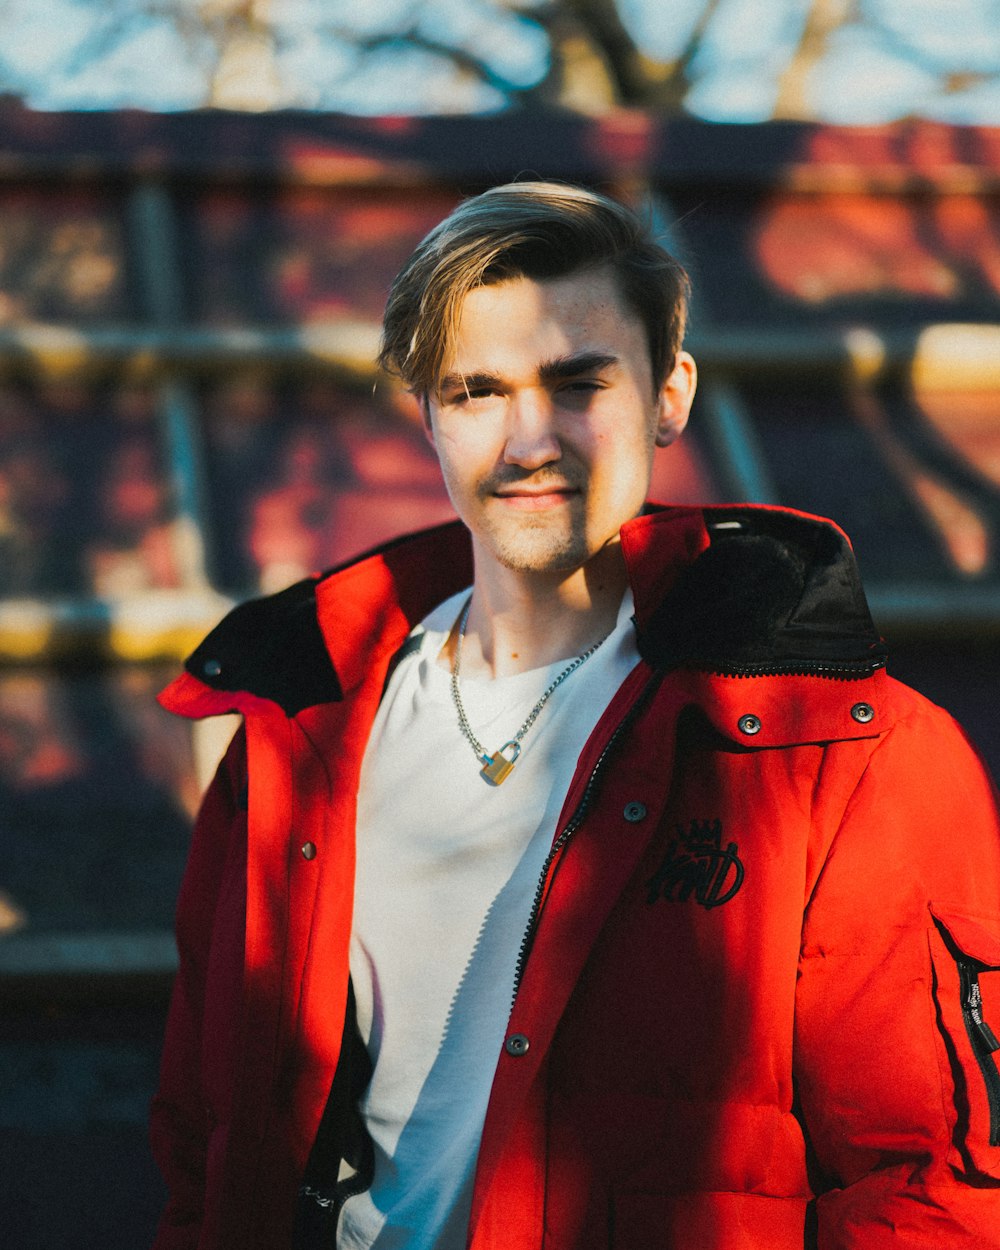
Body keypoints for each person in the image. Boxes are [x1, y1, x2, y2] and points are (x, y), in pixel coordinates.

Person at [150, 182, 1000, 1250]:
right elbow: (202, 1140)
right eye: (475, 390)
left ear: (669, 393)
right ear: (426, 414)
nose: (528, 440)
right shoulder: (292, 723)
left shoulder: (842, 750)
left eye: (576, 381)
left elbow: (924, 1185)